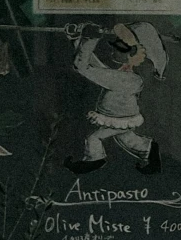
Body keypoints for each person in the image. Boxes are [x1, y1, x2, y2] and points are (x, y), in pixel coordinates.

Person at [65, 20, 168, 175]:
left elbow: (83, 66)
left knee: (94, 138)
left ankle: (94, 160)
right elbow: (96, 66)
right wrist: (77, 39)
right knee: (127, 139)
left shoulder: (127, 80)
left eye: (121, 47)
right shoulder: (123, 76)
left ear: (135, 55)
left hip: (119, 117)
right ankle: (150, 151)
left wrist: (90, 38)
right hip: (120, 116)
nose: (113, 48)